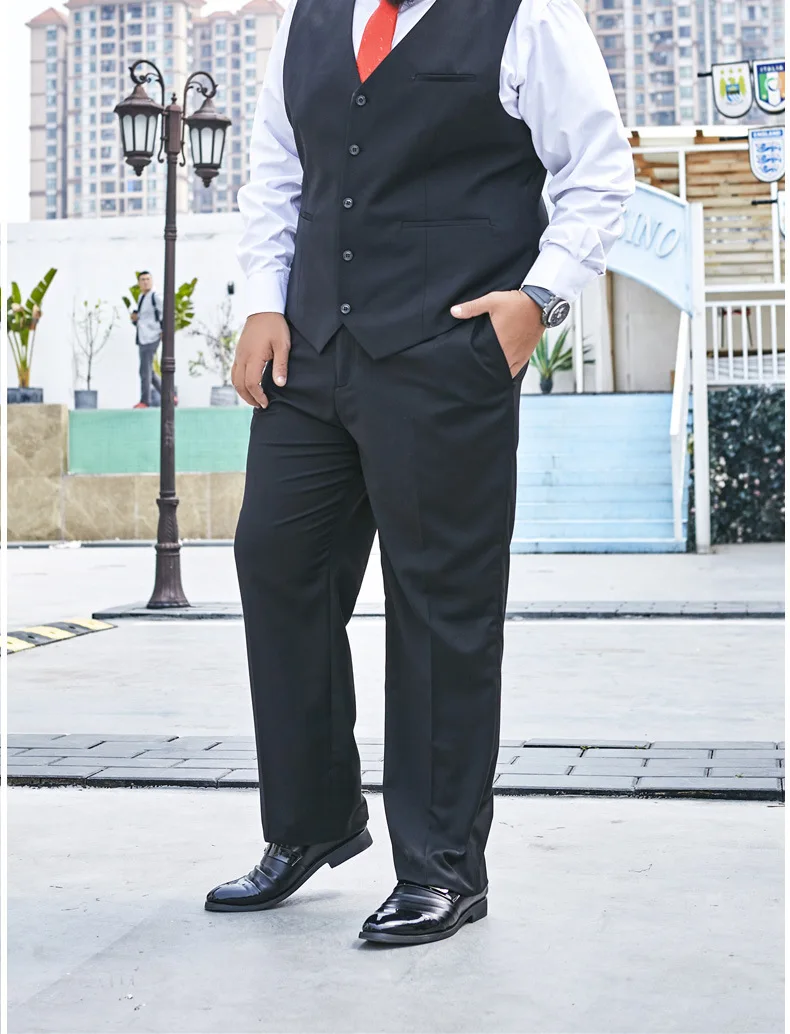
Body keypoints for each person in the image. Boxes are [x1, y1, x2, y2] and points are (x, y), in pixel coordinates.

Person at [207, 0, 635, 945]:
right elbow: (278, 170)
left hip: (447, 354)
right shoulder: (310, 19)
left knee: (441, 603)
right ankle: (313, 822)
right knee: (277, 563)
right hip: (310, 351)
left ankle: (443, 868)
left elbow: (599, 171)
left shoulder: (526, 15)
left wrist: (540, 297)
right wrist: (262, 301)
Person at [131, 271, 163, 409]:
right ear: (139, 283)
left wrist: (164, 331)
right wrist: (135, 318)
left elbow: (165, 312)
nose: (145, 282)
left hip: (153, 336)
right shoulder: (142, 297)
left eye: (148, 279)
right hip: (143, 337)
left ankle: (145, 401)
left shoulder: (156, 297)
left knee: (145, 370)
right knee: (147, 370)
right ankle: (169, 395)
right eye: (143, 279)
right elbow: (144, 318)